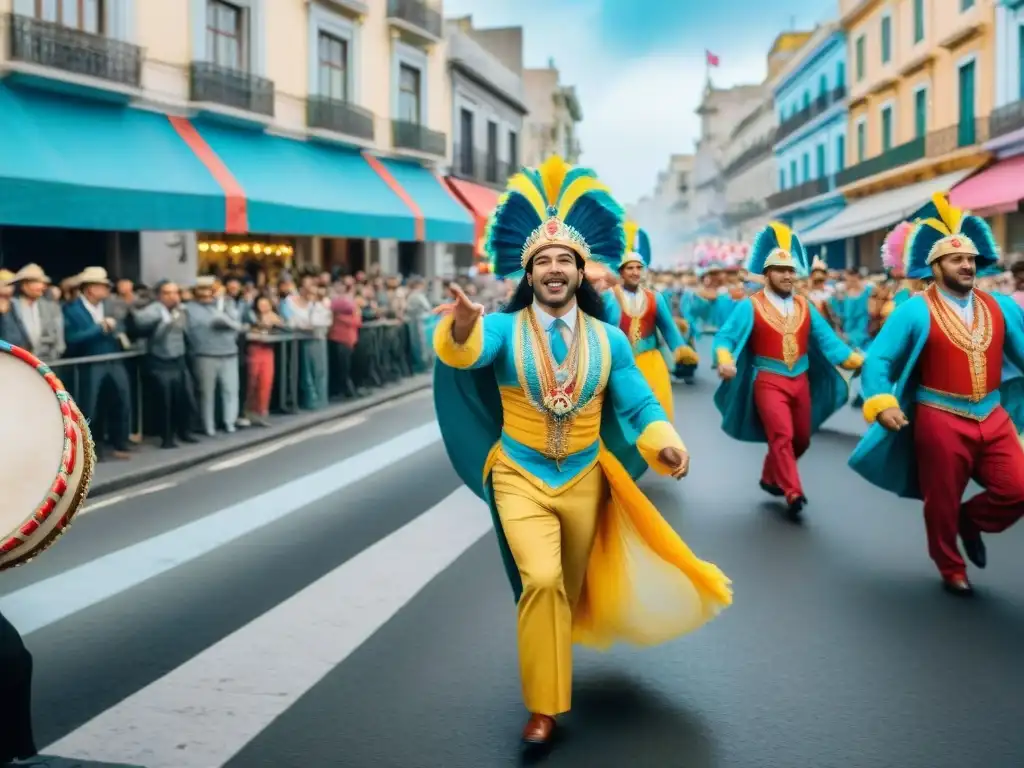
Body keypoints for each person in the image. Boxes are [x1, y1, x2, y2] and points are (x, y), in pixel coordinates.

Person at [431, 156, 731, 747]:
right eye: (542, 261)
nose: (553, 269)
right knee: (540, 579)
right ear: (529, 273)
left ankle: (551, 653)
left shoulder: (610, 339)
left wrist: (666, 445)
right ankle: (544, 708)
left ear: (579, 270)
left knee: (563, 588)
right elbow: (461, 353)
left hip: (585, 479)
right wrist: (463, 327)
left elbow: (641, 407)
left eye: (563, 260)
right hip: (518, 472)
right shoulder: (503, 328)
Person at [850, 194, 1024, 594]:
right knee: (941, 501)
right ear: (934, 266)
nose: (966, 265)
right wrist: (882, 402)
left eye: (970, 259)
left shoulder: (1000, 307)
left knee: (1017, 489)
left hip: (993, 416)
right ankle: (950, 566)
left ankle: (972, 519)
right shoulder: (913, 310)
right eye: (955, 259)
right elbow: (878, 362)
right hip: (939, 417)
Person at [712, 222, 863, 521]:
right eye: (780, 269)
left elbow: (828, 341)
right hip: (768, 381)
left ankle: (771, 476)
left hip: (801, 380)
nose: (787, 275)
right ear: (767, 274)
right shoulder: (750, 306)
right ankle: (793, 491)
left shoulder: (805, 306)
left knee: (802, 439)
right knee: (781, 435)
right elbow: (725, 337)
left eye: (791, 270)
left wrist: (853, 359)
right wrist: (724, 358)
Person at [601, 221, 698, 427]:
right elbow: (599, 332)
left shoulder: (656, 298)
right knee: (622, 419)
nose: (635, 272)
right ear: (621, 271)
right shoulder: (608, 298)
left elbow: (669, 330)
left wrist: (681, 349)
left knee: (657, 413)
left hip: (651, 361)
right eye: (630, 268)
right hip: (619, 364)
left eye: (639, 268)